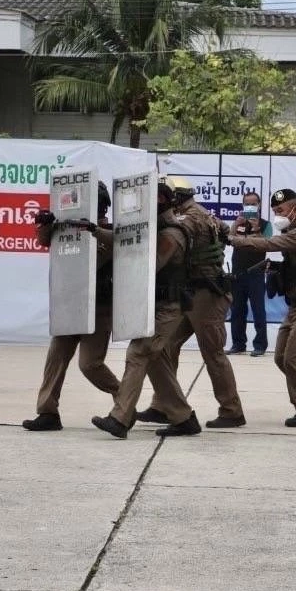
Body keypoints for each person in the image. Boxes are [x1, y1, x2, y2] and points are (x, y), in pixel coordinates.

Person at [91, 181, 203, 439]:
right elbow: (124, 240)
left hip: (168, 307)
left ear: (161, 202)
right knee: (157, 363)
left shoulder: (172, 233)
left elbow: (149, 266)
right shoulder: (156, 228)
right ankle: (184, 418)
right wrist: (95, 230)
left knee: (139, 352)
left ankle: (120, 418)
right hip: (155, 305)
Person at [134, 177, 247, 430]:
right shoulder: (201, 214)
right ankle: (163, 405)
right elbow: (224, 229)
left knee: (213, 353)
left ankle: (231, 410)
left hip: (206, 294)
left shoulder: (190, 217)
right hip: (192, 294)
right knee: (165, 347)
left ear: (175, 197)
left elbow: (172, 234)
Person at [223, 188, 296, 427]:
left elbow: (269, 242)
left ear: (295, 209)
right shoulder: (295, 232)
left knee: (294, 360)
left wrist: (232, 238)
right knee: (281, 358)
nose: (277, 215)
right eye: (274, 211)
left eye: (281, 210)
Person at [22, 181, 121, 432]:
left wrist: (89, 229)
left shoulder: (108, 230)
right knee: (55, 359)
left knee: (90, 365)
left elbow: (95, 258)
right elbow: (46, 241)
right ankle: (47, 412)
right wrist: (46, 223)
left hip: (98, 305)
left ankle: (124, 399)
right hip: (70, 302)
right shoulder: (67, 227)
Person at [226, 192, 272, 357]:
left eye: (253, 203)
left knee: (258, 309)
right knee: (237, 309)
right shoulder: (238, 222)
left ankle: (260, 345)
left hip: (256, 273)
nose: (250, 206)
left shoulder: (266, 225)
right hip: (237, 272)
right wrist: (234, 226)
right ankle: (238, 344)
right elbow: (229, 240)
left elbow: (267, 243)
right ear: (243, 205)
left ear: (259, 204)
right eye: (247, 203)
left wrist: (257, 230)